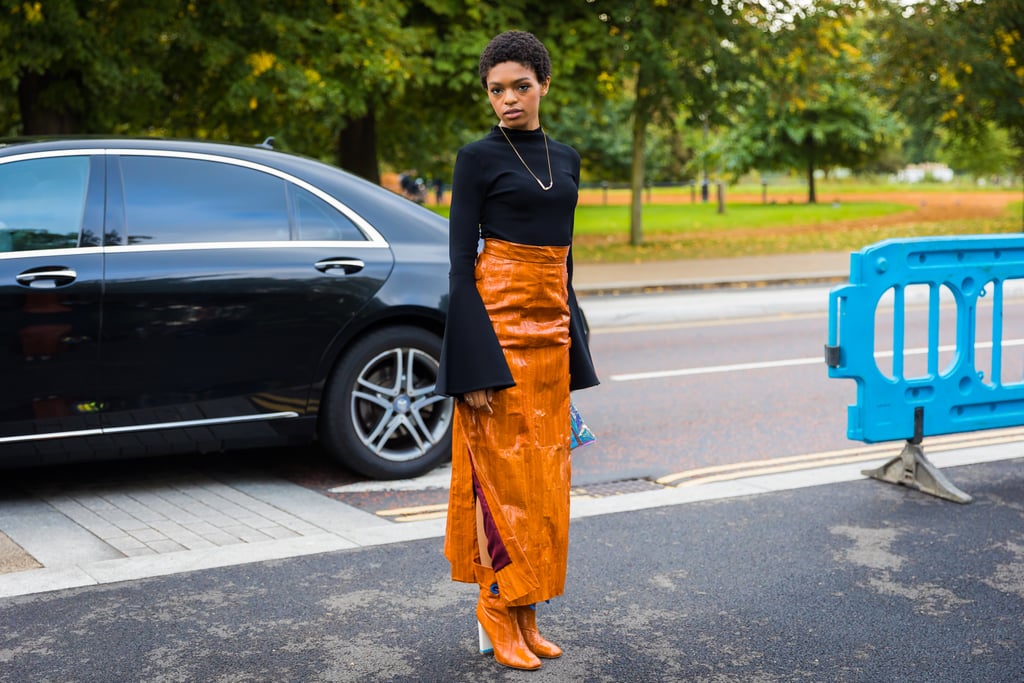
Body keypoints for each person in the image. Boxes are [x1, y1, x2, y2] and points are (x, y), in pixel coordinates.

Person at [435, 30, 599, 671]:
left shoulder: (568, 157)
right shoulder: (475, 159)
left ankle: (528, 611)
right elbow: (458, 267)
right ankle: (496, 610)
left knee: (544, 482)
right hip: (497, 333)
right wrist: (471, 363)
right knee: (499, 480)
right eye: (496, 90)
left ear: (544, 86)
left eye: (519, 87)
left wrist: (576, 340)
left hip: (551, 332)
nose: (507, 99)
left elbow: (565, 258)